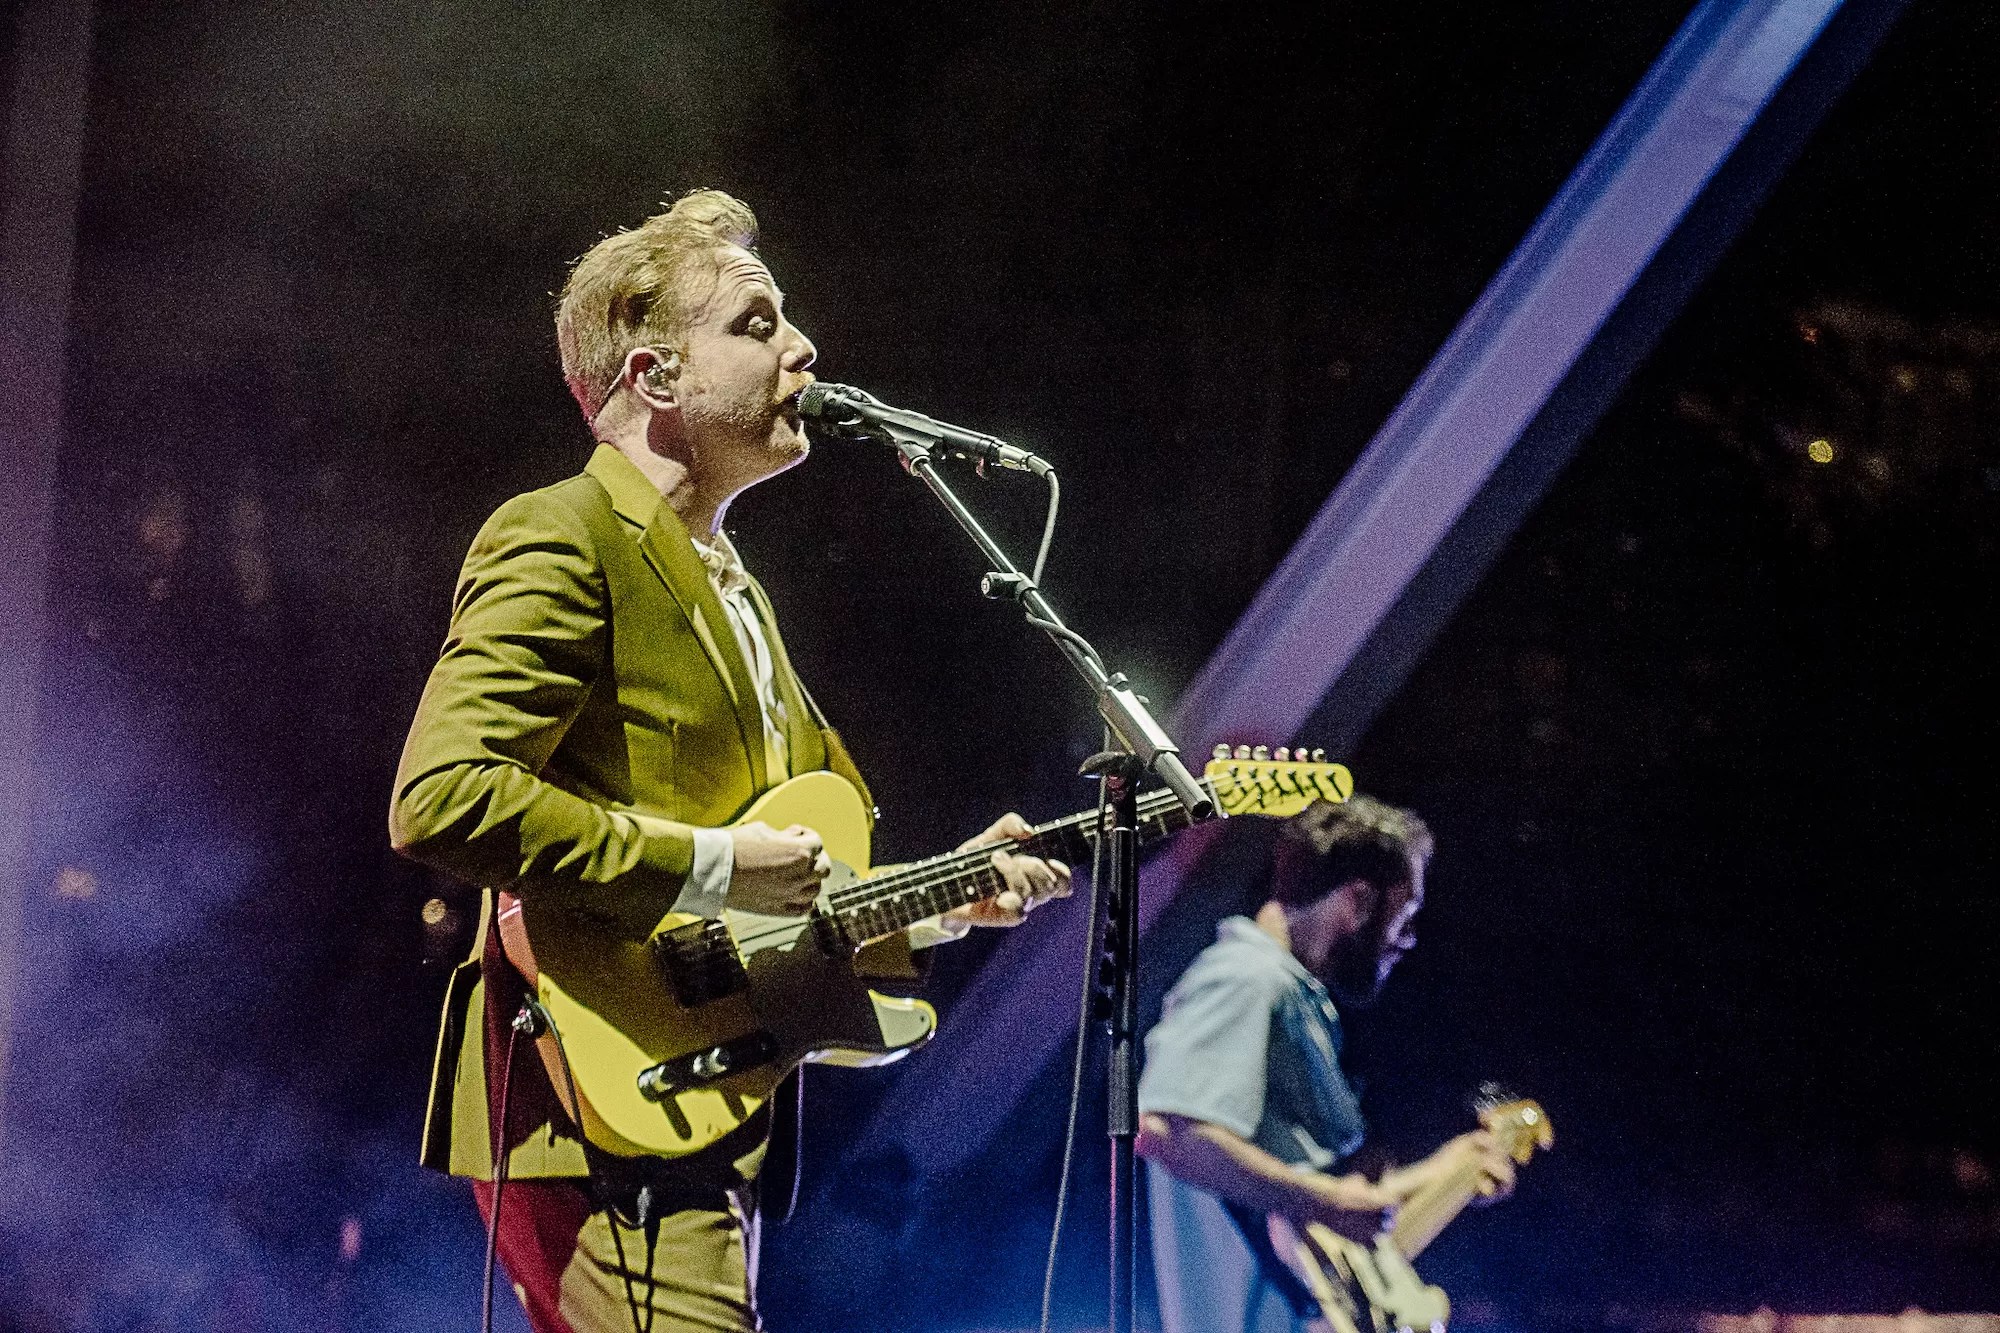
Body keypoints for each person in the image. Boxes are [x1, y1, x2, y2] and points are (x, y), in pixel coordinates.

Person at [390, 189, 1070, 1333]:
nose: (802, 349)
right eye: (757, 324)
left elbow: (785, 890)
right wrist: (714, 864)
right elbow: (443, 798)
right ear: (655, 378)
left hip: (701, 1104)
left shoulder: (734, 588)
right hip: (589, 1103)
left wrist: (948, 898)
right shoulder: (561, 533)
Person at [1136, 796, 1515, 1333]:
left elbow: (1319, 1240)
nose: (1403, 942)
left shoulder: (1282, 990)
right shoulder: (1247, 979)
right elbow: (1167, 1133)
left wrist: (1442, 1174)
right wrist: (1332, 1199)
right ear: (1357, 902)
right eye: (1402, 917)